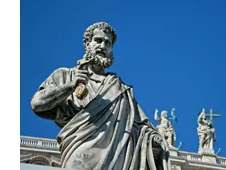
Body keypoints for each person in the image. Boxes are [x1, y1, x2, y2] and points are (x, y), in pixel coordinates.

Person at [30, 22, 171, 170]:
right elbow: (37, 104)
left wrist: (153, 141)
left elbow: (141, 128)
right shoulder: (65, 75)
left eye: (107, 43)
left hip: (118, 160)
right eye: (98, 40)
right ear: (87, 44)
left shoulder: (120, 89)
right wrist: (70, 86)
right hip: (80, 155)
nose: (103, 46)